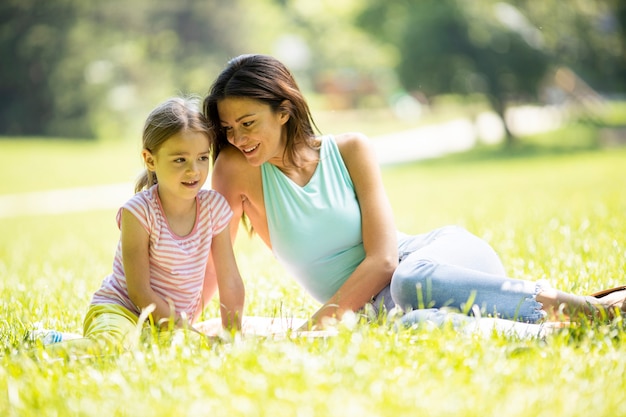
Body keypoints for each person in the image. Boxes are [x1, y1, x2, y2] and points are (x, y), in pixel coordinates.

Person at [201, 54, 625, 334]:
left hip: (438, 261)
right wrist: (171, 321)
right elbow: (217, 265)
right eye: (228, 128)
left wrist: (318, 326)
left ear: (284, 110)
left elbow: (385, 261)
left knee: (409, 281)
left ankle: (580, 307)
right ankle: (552, 333)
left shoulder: (350, 149)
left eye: (248, 123)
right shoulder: (237, 171)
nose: (237, 138)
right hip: (387, 306)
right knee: (414, 325)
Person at [29, 97, 245, 354]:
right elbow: (139, 292)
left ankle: (56, 339)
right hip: (121, 310)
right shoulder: (139, 212)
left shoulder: (214, 208)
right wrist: (189, 332)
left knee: (175, 354)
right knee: (115, 346)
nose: (194, 170)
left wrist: (233, 335)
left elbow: (230, 280)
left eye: (202, 158)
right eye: (180, 160)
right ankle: (32, 356)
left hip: (167, 324)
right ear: (150, 160)